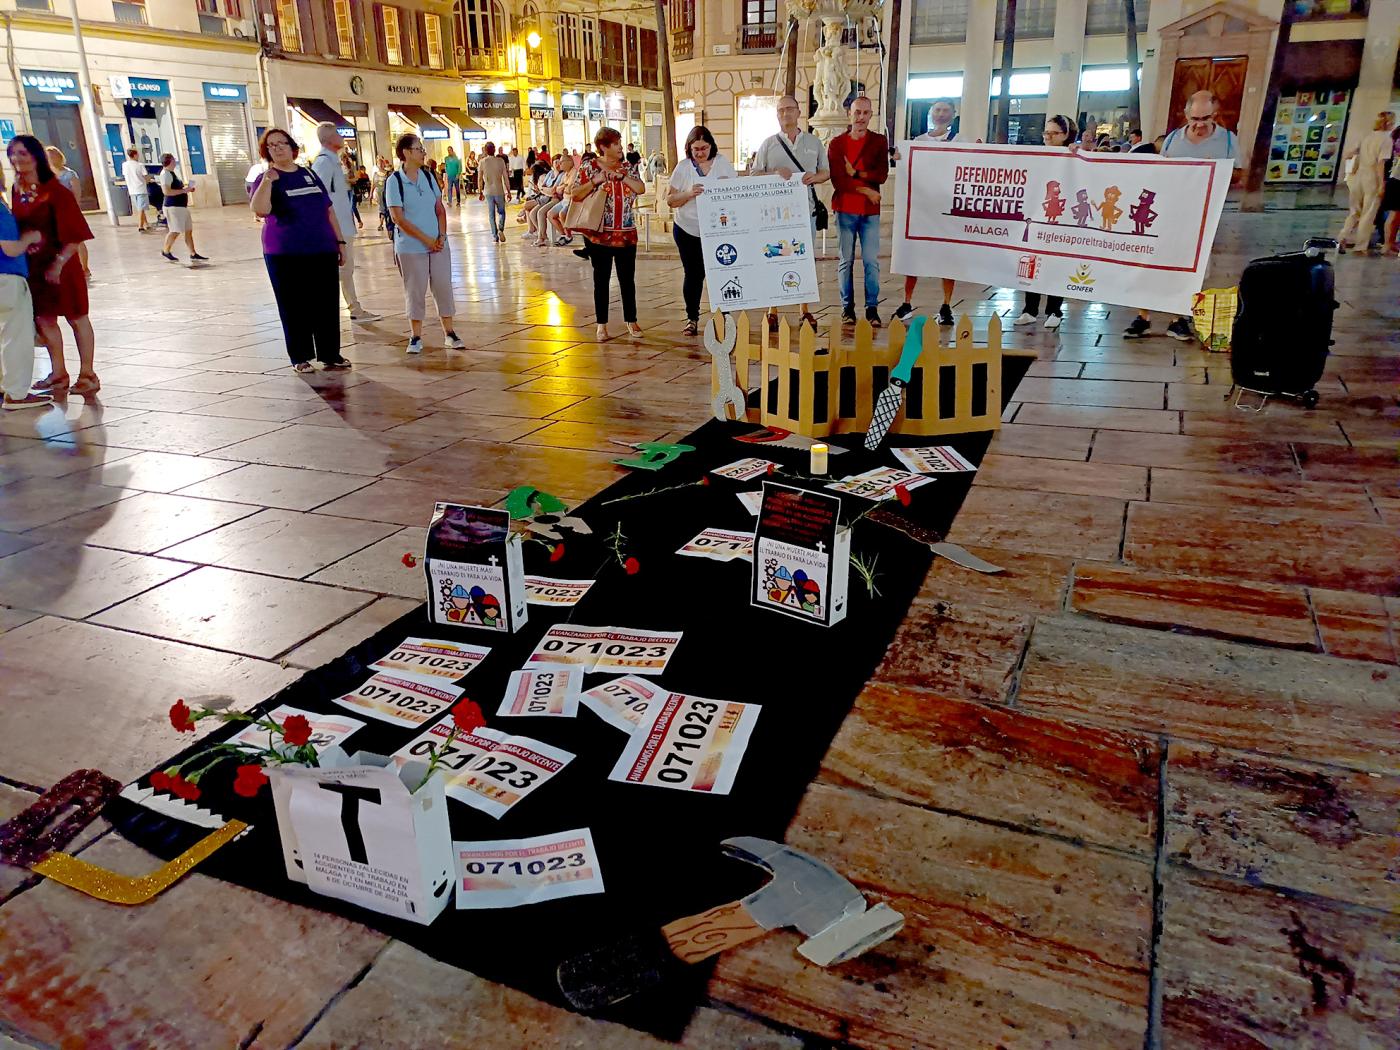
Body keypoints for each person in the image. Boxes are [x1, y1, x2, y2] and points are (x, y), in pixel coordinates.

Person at [1125, 90, 1239, 340]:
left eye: (1205, 118)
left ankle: (1178, 319)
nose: (1199, 124)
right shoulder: (1174, 138)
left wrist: (1216, 174)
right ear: (1186, 114)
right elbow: (1161, 171)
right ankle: (1143, 317)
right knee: (1150, 262)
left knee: (1190, 268)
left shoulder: (1228, 141)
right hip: (1168, 212)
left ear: (1215, 114)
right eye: (1194, 118)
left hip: (1201, 217)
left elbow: (1238, 175)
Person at [248, 128, 351, 373]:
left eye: (282, 143)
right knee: (293, 305)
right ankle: (300, 356)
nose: (278, 148)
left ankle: (330, 353)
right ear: (266, 151)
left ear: (292, 147)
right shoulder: (265, 178)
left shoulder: (309, 173)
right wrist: (268, 181)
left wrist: (340, 242)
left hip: (321, 248)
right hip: (285, 253)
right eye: (272, 145)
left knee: (326, 302)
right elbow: (260, 209)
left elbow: (328, 209)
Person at [8, 135, 97, 396]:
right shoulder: (18, 190)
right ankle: (58, 373)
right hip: (34, 266)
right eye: (13, 154)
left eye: (23, 153)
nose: (17, 159)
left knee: (76, 317)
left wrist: (58, 264)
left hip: (62, 265)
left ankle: (88, 373)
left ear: (36, 156)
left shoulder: (56, 190)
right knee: (45, 319)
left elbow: (76, 233)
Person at [749, 93, 831, 331]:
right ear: (777, 115)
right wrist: (775, 175)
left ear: (798, 112)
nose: (786, 113)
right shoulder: (768, 144)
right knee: (774, 258)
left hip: (805, 211)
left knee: (804, 260)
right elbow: (754, 175)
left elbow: (825, 171)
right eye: (781, 110)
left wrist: (814, 177)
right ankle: (772, 310)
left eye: (790, 109)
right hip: (775, 215)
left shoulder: (813, 143)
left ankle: (804, 310)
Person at [386, 132, 463, 356]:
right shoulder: (395, 181)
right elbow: (398, 218)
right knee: (415, 290)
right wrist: (426, 240)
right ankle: (416, 335)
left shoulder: (428, 177)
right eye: (419, 148)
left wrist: (441, 236)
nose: (423, 152)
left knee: (442, 286)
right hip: (410, 246)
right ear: (406, 152)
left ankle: (449, 332)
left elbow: (439, 209)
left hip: (437, 244)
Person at [890, 98, 961, 327]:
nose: (941, 114)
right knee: (913, 256)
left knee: (949, 259)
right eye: (937, 109)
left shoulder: (959, 141)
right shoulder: (918, 141)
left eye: (945, 110)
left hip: (947, 208)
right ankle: (907, 301)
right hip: (922, 208)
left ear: (952, 114)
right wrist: (900, 160)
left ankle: (946, 304)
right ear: (931, 113)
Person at [572, 127, 644, 340]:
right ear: (603, 147)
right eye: (616, 144)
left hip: (626, 233)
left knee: (627, 279)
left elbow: (640, 189)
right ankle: (601, 324)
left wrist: (621, 178)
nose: (621, 147)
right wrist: (597, 180)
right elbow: (575, 193)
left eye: (620, 143)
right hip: (599, 233)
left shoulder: (628, 167)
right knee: (601, 279)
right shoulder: (589, 167)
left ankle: (631, 320)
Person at [667, 124, 736, 335]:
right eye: (695, 149)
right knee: (693, 274)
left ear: (711, 146)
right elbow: (670, 199)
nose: (699, 153)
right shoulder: (683, 167)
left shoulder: (722, 164)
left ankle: (724, 316)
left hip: (717, 230)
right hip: (687, 228)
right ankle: (692, 317)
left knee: (721, 273)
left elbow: (736, 191)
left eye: (704, 148)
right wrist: (688, 193)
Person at [1014, 115, 1078, 331]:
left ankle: (1054, 310)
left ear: (1066, 135)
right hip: (1037, 214)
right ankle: (1029, 309)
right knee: (1032, 260)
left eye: (1054, 133)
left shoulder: (1074, 157)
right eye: (1046, 133)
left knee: (1056, 263)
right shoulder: (1037, 155)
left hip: (1060, 217)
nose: (1048, 137)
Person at [829, 95, 888, 328]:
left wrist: (856, 173)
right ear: (849, 114)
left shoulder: (878, 142)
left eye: (865, 113)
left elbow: (881, 175)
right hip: (845, 209)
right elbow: (838, 180)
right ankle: (847, 308)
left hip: (869, 212)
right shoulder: (837, 144)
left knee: (871, 261)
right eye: (856, 112)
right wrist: (866, 189)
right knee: (846, 260)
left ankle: (872, 308)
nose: (860, 117)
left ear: (871, 115)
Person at [311, 122, 378, 323]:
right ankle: (330, 309)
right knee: (343, 269)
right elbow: (319, 196)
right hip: (336, 226)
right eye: (338, 134)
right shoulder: (324, 162)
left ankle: (354, 307)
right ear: (330, 138)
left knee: (346, 269)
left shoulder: (334, 161)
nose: (342, 137)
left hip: (342, 223)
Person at [0, 165, 49, 410]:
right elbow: (9, 248)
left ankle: (3, 386)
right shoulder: (0, 211)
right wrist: (30, 238)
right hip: (7, 279)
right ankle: (16, 394)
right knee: (16, 337)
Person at [1338, 111, 1395, 253]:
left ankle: (1342, 238)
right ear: (1388, 123)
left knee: (1354, 211)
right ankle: (1360, 246)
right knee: (1368, 213)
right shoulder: (1386, 140)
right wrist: (1382, 184)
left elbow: (1349, 154)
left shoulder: (1367, 136)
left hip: (1358, 175)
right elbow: (1381, 163)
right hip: (1372, 177)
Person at [45, 147, 90, 278]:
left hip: (70, 211)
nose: (50, 159)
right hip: (53, 213)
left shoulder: (69, 174)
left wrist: (73, 211)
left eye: (52, 156)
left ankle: (84, 267)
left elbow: (77, 194)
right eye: (47, 156)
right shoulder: (47, 175)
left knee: (78, 240)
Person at [156, 153, 207, 265]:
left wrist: (187, 189)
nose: (175, 161)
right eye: (173, 159)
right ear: (170, 161)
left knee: (188, 230)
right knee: (175, 230)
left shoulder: (172, 173)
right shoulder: (165, 174)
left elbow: (175, 188)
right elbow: (167, 191)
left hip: (181, 206)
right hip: (173, 207)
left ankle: (193, 253)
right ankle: (166, 250)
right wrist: (184, 191)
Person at [478, 141, 510, 243]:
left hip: (488, 191)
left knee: (491, 215)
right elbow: (505, 177)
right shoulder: (500, 161)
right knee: (501, 212)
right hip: (499, 190)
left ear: (486, 150)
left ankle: (494, 235)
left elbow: (479, 179)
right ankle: (500, 229)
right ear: (494, 150)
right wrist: (508, 191)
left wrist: (480, 192)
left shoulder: (482, 162)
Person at [545, 154, 578, 246]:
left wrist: (563, 187)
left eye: (562, 162)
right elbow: (556, 188)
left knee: (562, 214)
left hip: (572, 201)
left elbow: (569, 188)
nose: (560, 164)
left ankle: (568, 235)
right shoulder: (565, 174)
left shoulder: (574, 172)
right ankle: (564, 235)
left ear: (570, 162)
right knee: (550, 214)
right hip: (564, 199)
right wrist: (563, 187)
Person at [124, 147, 152, 232]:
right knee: (141, 209)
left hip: (131, 189)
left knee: (140, 208)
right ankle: (140, 226)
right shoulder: (139, 165)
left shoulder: (125, 165)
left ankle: (146, 224)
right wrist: (149, 179)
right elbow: (145, 176)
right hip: (141, 188)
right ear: (135, 155)